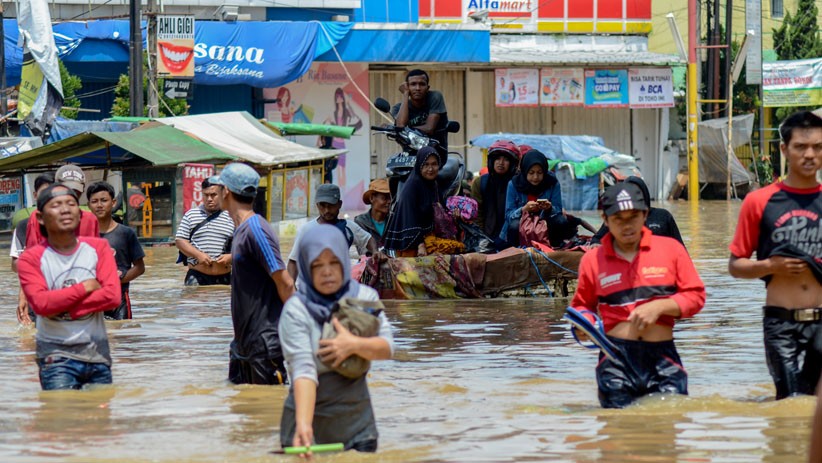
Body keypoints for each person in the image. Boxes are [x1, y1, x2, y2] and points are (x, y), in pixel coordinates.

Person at [570, 182, 705, 408]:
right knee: (619, 430)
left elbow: (696, 296)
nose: (627, 226)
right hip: (614, 362)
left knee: (669, 425)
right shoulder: (593, 261)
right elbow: (581, 307)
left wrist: (660, 307)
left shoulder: (671, 250)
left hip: (663, 358)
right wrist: (582, 328)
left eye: (633, 217)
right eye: (618, 219)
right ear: (605, 219)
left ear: (645, 214)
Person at [728, 110, 822, 400]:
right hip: (780, 323)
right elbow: (735, 265)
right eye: (800, 147)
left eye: (818, 147)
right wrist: (770, 265)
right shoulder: (759, 201)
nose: (809, 155)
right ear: (784, 149)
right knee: (789, 402)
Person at [279, 224, 393, 453]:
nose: (327, 271)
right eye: (317, 265)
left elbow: (387, 348)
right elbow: (303, 370)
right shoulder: (296, 309)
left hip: (359, 425)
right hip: (306, 425)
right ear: (305, 268)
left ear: (344, 259)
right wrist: (303, 425)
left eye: (333, 262)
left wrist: (355, 344)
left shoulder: (364, 297)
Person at [17, 184, 121, 390]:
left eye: (71, 204)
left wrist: (64, 306)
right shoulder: (31, 258)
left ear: (80, 213)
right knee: (61, 416)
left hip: (98, 356)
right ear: (40, 218)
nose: (65, 209)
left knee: (101, 419)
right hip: (55, 358)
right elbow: (40, 305)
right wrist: (85, 288)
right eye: (56, 205)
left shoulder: (98, 248)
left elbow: (112, 297)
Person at [212, 162, 295, 385]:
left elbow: (285, 282)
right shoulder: (241, 230)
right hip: (243, 343)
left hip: (264, 343)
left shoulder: (256, 230)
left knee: (270, 410)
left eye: (217, 189)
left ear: (226, 191)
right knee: (245, 411)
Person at [287, 184, 376, 279]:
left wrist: (375, 252)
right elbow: (294, 261)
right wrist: (291, 285)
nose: (326, 210)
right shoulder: (306, 230)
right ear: (317, 205)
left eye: (331, 206)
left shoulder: (348, 227)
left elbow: (368, 239)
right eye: (322, 206)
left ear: (339, 204)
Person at [87, 181, 145, 320]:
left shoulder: (126, 233)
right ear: (89, 205)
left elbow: (139, 268)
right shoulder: (82, 235)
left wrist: (115, 280)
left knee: (122, 337)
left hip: (119, 300)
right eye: (94, 201)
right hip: (90, 300)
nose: (99, 205)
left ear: (113, 203)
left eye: (104, 200)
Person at [11, 173, 54, 325]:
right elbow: (16, 264)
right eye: (44, 194)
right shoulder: (24, 226)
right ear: (35, 195)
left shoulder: (66, 224)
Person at [384, 146, 443, 257]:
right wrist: (420, 244)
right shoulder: (413, 186)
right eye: (426, 164)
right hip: (413, 247)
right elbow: (409, 217)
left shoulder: (434, 185)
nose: (430, 169)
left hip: (429, 244)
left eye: (434, 164)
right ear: (419, 166)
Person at [175, 177, 234, 286]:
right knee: (194, 303)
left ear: (222, 194)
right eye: (206, 195)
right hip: (197, 276)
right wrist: (198, 255)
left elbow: (245, 246)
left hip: (225, 278)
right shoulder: (191, 215)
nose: (209, 199)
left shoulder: (232, 216)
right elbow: (180, 241)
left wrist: (231, 257)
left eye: (213, 195)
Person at [591, 176, 684, 246]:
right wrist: (595, 246)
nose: (627, 225)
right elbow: (597, 239)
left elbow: (680, 247)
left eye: (634, 217)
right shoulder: (615, 217)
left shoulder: (663, 216)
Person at [500, 149, 563, 248]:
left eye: (539, 172)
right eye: (531, 172)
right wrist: (524, 209)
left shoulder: (552, 183)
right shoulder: (514, 184)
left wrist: (549, 208)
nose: (535, 177)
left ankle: (554, 247)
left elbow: (558, 210)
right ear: (525, 171)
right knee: (514, 225)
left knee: (560, 221)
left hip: (544, 221)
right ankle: (515, 249)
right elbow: (508, 215)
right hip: (521, 225)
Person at [25, 164, 99, 248]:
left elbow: (96, 254)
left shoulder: (90, 220)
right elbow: (32, 253)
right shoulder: (39, 218)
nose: (71, 194)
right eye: (67, 190)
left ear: (82, 190)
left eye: (76, 191)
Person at [471, 140, 520, 245]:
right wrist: (481, 237)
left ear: (512, 164)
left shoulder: (518, 184)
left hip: (512, 236)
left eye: (506, 159)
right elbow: (476, 213)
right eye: (497, 158)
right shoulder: (480, 183)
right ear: (491, 161)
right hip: (486, 237)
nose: (500, 163)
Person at [390, 69, 449, 150]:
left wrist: (402, 130)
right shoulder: (398, 108)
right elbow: (400, 125)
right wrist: (405, 94)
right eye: (413, 84)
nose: (417, 88)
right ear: (407, 87)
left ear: (427, 88)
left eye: (422, 84)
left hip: (435, 151)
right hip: (410, 152)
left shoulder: (435, 97)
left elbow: (429, 128)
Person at [354, 178, 391, 250]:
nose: (389, 201)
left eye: (390, 198)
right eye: (385, 198)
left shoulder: (393, 220)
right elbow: (362, 249)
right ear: (371, 198)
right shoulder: (361, 221)